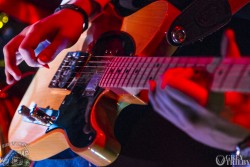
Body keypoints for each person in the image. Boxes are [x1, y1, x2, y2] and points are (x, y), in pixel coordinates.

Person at [3, 0, 250, 167]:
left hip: (153, 142)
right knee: (16, 159)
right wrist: (76, 8)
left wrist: (244, 144)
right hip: (103, 39)